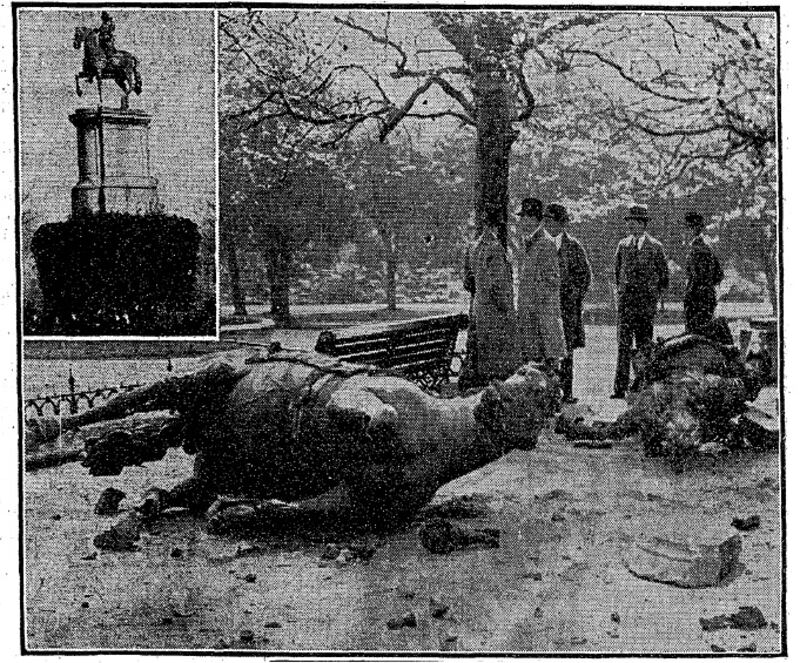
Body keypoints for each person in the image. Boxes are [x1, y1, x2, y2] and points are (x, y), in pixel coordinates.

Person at [611, 204, 669, 398]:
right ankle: (620, 388)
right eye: (629, 222)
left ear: (644, 224)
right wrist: (621, 295)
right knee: (623, 346)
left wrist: (653, 297)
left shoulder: (656, 247)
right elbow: (617, 274)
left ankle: (644, 386)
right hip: (626, 306)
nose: (631, 226)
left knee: (645, 346)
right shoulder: (623, 246)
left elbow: (664, 277)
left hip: (645, 307)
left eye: (635, 222)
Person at [458, 224, 517, 392]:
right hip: (495, 315)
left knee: (480, 356)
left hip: (478, 309)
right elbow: (498, 285)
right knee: (496, 363)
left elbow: (468, 282)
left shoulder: (472, 248)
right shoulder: (495, 249)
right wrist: (507, 309)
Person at [547, 203, 592, 404]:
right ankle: (549, 394)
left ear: (562, 223)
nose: (549, 225)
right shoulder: (539, 244)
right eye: (546, 220)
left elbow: (585, 276)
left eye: (552, 221)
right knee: (547, 351)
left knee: (567, 353)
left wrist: (574, 294)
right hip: (547, 307)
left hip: (567, 308)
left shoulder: (573, 246)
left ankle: (567, 392)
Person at [516, 198, 566, 373]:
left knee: (545, 369)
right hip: (530, 318)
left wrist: (534, 305)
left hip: (541, 320)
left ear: (535, 219)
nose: (522, 222)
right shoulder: (529, 243)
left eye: (525, 217)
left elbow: (551, 281)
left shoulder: (544, 244)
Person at [684, 211, 724, 333]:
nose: (686, 231)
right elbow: (719, 275)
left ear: (695, 228)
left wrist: (695, 289)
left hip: (699, 298)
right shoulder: (705, 246)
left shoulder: (699, 248)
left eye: (689, 227)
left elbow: (698, 276)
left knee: (697, 334)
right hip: (705, 296)